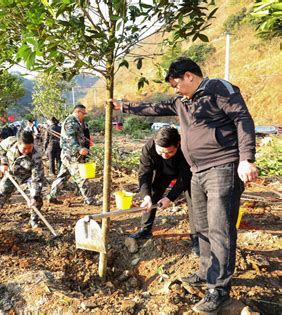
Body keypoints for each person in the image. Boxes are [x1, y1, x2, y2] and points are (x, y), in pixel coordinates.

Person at [111, 57, 257, 313]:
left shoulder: (219, 89)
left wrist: (246, 159)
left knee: (220, 228)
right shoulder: (182, 101)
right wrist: (124, 106)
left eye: (176, 83)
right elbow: (155, 108)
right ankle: (205, 272)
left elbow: (243, 119)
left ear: (189, 76)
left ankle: (219, 290)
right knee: (200, 225)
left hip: (222, 166)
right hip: (197, 171)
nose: (175, 89)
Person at [130, 127, 197, 255]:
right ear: (155, 144)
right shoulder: (149, 149)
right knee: (152, 195)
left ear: (177, 144)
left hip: (184, 173)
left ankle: (196, 237)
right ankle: (145, 229)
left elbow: (185, 176)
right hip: (162, 172)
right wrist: (146, 196)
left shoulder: (185, 148)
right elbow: (144, 174)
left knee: (193, 200)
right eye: (161, 152)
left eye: (170, 152)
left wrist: (170, 198)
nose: (165, 156)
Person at [0, 131, 44, 228]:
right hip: (11, 174)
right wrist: (4, 163)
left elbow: (37, 178)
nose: (27, 151)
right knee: (1, 193)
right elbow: (1, 149)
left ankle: (34, 220)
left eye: (30, 148)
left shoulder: (36, 156)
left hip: (27, 178)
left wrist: (34, 196)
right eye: (24, 148)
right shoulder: (9, 142)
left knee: (37, 198)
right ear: (18, 143)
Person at [48, 104, 100, 206]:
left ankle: (52, 196)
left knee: (62, 177)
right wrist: (79, 148)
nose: (84, 115)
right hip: (71, 155)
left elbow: (79, 136)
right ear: (77, 111)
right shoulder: (70, 121)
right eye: (83, 113)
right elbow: (69, 138)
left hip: (69, 155)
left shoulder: (77, 122)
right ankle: (89, 199)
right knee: (82, 177)